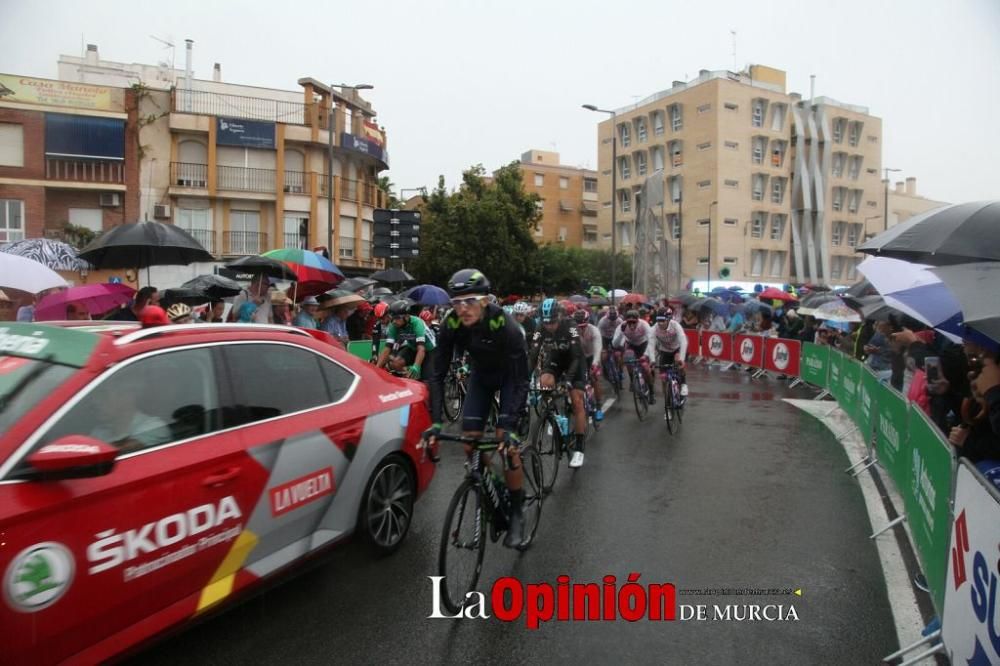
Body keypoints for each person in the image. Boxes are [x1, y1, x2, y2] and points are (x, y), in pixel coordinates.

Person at [425, 269, 530, 549]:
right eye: (455, 303)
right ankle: (491, 482)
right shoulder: (451, 324)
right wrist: (435, 422)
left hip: (510, 378)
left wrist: (508, 426)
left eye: (469, 301)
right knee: (470, 442)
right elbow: (437, 374)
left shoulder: (502, 323)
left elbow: (521, 378)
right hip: (481, 378)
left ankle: (518, 513)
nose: (462, 308)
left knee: (505, 443)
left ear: (484, 300)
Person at [529, 299, 588, 468]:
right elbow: (533, 354)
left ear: (560, 316)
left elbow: (577, 356)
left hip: (574, 362)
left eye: (553, 322)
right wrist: (525, 378)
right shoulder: (540, 327)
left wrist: (569, 380)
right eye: (546, 322)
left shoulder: (571, 326)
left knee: (576, 400)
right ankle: (553, 415)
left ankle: (579, 448)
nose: (550, 326)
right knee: (544, 382)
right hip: (555, 359)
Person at [377, 299, 436, 379]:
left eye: (397, 318)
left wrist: (416, 366)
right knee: (396, 363)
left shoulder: (417, 323)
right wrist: (376, 369)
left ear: (407, 316)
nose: (394, 321)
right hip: (412, 347)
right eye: (392, 318)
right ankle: (409, 377)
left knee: (427, 380)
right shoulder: (394, 325)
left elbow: (421, 349)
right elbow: (387, 348)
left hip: (429, 349)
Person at [612, 309, 656, 403]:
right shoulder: (622, 326)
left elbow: (651, 341)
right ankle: (632, 380)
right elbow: (615, 344)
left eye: (634, 322)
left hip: (643, 344)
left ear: (638, 320)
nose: (631, 325)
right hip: (631, 344)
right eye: (629, 322)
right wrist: (622, 333)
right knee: (628, 358)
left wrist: (650, 358)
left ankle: (651, 392)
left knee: (645, 367)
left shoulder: (644, 324)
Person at [572, 308, 604, 422]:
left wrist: (595, 364)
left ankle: (599, 406)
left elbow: (598, 349)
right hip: (579, 358)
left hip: (592, 356)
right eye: (578, 326)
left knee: (594, 378)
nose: (580, 329)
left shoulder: (594, 330)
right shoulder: (571, 331)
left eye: (583, 326)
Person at [652, 306, 689, 402]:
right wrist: (652, 360)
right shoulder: (655, 328)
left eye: (662, 320)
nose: (660, 323)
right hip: (665, 351)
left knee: (678, 361)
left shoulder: (675, 325)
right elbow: (651, 344)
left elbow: (683, 341)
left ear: (668, 319)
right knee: (664, 379)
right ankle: (668, 401)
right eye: (658, 320)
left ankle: (684, 384)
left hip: (677, 349)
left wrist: (682, 358)